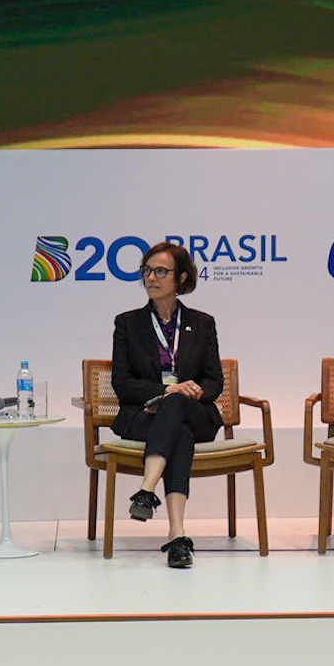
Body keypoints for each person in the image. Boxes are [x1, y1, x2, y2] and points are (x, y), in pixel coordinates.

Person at [110, 242, 224, 569]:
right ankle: (177, 535)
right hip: (144, 415)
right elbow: (122, 383)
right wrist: (165, 390)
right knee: (179, 433)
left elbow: (214, 381)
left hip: (194, 412)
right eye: (147, 270)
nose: (151, 277)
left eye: (161, 271)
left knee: (176, 405)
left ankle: (147, 489)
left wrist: (188, 392)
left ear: (182, 278)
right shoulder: (128, 323)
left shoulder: (202, 323)